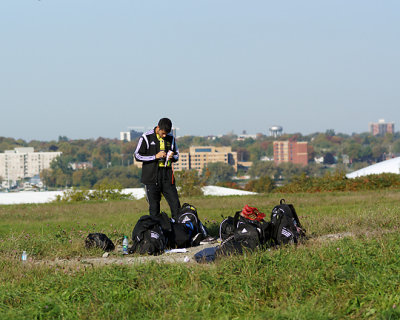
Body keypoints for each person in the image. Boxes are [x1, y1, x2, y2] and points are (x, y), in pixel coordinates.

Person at [134, 118, 181, 220]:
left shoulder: (171, 138)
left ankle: (179, 231)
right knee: (154, 208)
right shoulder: (146, 137)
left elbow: (177, 155)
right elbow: (137, 156)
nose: (164, 136)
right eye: (163, 133)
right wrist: (155, 156)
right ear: (158, 128)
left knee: (176, 205)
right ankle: (156, 233)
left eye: (166, 134)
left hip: (167, 177)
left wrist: (173, 157)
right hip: (151, 178)